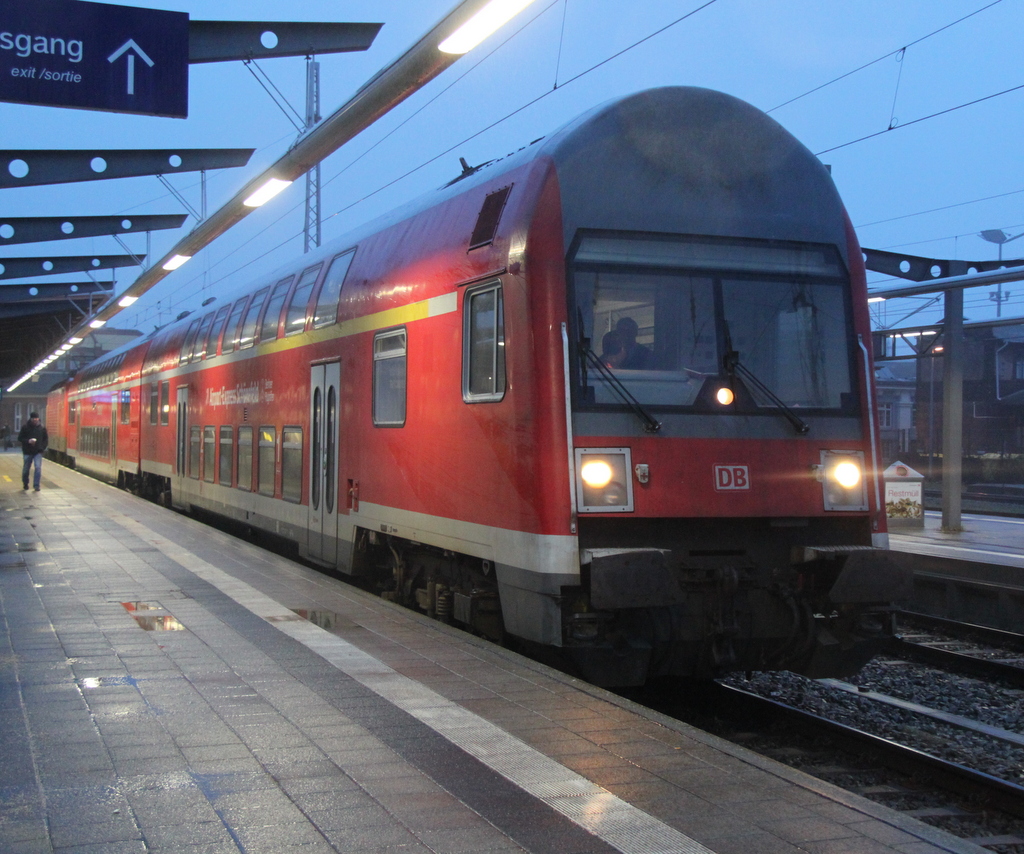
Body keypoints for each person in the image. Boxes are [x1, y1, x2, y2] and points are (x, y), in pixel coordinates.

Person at [18, 412, 48, 492]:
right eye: (34, 419)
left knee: (38, 468)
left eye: (36, 419)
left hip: (38, 451)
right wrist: (28, 441)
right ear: (31, 419)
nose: (35, 420)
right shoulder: (25, 427)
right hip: (27, 451)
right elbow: (20, 438)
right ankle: (25, 483)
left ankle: (36, 485)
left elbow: (45, 439)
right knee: (26, 469)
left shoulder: (42, 428)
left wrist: (42, 448)